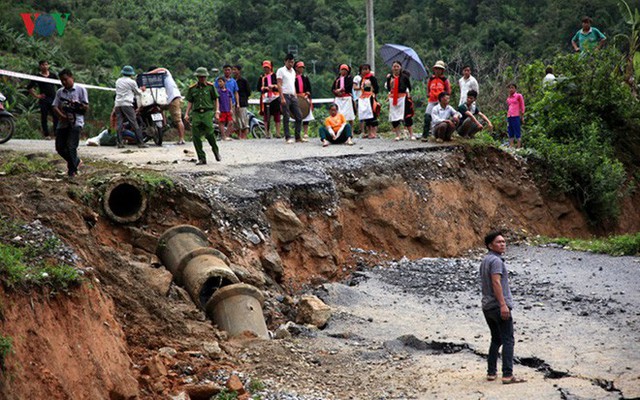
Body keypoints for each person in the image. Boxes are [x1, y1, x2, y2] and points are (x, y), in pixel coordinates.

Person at [479, 231, 527, 385]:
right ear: (489, 245)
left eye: (504, 242)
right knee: (508, 340)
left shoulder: (485, 260)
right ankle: (507, 375)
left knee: (496, 339)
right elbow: (496, 282)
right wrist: (503, 305)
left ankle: (491, 373)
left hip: (487, 306)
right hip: (497, 306)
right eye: (498, 242)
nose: (502, 244)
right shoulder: (497, 261)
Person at [52, 69, 88, 177]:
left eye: (66, 80)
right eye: (62, 80)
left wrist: (77, 106)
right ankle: (76, 161)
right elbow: (54, 106)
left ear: (72, 77)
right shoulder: (60, 92)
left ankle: (72, 171)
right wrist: (62, 116)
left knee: (71, 146)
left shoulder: (81, 89)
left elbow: (86, 107)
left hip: (76, 121)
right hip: (63, 123)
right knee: (60, 147)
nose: (64, 82)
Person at [184, 67, 220, 165]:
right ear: (197, 77)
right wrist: (187, 113)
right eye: (200, 77)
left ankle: (215, 149)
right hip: (196, 113)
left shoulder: (210, 87)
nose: (202, 79)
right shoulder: (192, 89)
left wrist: (217, 111)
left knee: (209, 132)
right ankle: (201, 158)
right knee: (195, 135)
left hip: (207, 112)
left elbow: (216, 98)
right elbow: (190, 101)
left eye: (203, 77)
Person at [147, 66, 186, 144]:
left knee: (177, 119)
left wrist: (147, 74)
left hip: (173, 98)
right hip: (166, 100)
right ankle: (164, 124)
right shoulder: (157, 80)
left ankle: (182, 139)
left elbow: (162, 69)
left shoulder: (165, 73)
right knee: (158, 109)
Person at [114, 65, 148, 148]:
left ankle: (120, 143)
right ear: (131, 74)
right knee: (134, 122)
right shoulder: (132, 82)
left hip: (118, 104)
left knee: (119, 123)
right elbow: (138, 92)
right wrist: (142, 90)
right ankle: (140, 143)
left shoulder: (118, 81)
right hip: (127, 104)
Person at [27, 60, 58, 139]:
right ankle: (46, 134)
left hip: (53, 98)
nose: (45, 66)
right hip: (44, 99)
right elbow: (29, 87)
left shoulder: (53, 75)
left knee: (55, 116)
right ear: (40, 66)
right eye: (43, 65)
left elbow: (59, 86)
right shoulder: (37, 76)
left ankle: (56, 134)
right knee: (44, 116)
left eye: (46, 64)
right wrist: (37, 96)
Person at [277, 53, 304, 144]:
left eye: (292, 62)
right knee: (286, 116)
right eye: (289, 62)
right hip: (285, 94)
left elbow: (293, 84)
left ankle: (297, 136)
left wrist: (295, 94)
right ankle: (287, 136)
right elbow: (279, 84)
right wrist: (282, 97)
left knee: (299, 116)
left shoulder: (293, 71)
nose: (291, 64)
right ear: (285, 61)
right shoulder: (281, 70)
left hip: (292, 95)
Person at [422, 60, 451, 141]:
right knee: (427, 116)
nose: (437, 70)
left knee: (439, 118)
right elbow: (428, 88)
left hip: (440, 102)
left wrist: (445, 99)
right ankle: (425, 135)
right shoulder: (431, 79)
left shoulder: (445, 80)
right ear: (434, 69)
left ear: (442, 70)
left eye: (439, 69)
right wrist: (429, 94)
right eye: (436, 69)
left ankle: (439, 135)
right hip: (431, 100)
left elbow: (448, 91)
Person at [385, 61, 414, 141]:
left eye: (397, 66)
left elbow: (409, 87)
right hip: (393, 98)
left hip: (403, 97)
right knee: (394, 117)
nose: (396, 68)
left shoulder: (404, 77)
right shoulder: (390, 77)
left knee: (407, 116)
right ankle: (398, 135)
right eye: (394, 66)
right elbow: (388, 88)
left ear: (400, 67)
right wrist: (390, 83)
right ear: (392, 68)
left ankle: (411, 134)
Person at [257, 60, 281, 139]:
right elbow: (258, 88)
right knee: (266, 115)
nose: (266, 69)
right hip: (266, 97)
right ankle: (267, 133)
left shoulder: (275, 75)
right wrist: (264, 88)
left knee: (277, 114)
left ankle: (278, 133)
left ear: (270, 67)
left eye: (267, 67)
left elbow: (280, 85)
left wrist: (273, 86)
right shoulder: (262, 77)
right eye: (265, 67)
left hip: (275, 97)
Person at [215, 65, 240, 138]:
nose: (227, 71)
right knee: (221, 121)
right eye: (225, 70)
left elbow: (236, 92)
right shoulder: (218, 81)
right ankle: (223, 136)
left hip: (230, 104)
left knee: (232, 121)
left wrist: (237, 103)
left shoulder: (233, 81)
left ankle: (227, 135)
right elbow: (215, 91)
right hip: (221, 105)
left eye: (229, 70)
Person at [357, 64, 380, 139]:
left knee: (373, 115)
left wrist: (374, 97)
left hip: (371, 98)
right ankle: (369, 132)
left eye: (366, 69)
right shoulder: (362, 80)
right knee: (366, 116)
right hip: (364, 99)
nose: (365, 71)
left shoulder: (372, 78)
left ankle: (374, 132)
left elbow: (376, 88)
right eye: (363, 69)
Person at [293, 61, 314, 139]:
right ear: (296, 68)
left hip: (304, 97)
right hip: (296, 97)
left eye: (302, 67)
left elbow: (309, 88)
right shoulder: (293, 77)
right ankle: (297, 132)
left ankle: (305, 132)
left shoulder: (305, 77)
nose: (301, 69)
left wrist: (308, 92)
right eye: (300, 67)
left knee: (306, 114)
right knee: (296, 115)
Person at [232, 65, 251, 139]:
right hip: (234, 103)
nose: (234, 71)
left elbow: (248, 92)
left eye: (235, 70)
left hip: (242, 102)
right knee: (235, 120)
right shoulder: (232, 81)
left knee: (243, 119)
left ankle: (244, 136)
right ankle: (238, 135)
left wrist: (243, 98)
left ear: (239, 71)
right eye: (233, 70)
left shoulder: (243, 81)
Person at [506, 83, 525, 148]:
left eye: (512, 88)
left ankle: (518, 147)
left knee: (517, 131)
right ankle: (511, 146)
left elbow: (522, 106)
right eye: (510, 88)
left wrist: (522, 116)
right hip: (509, 116)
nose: (511, 89)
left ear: (515, 89)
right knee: (510, 131)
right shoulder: (508, 98)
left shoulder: (518, 96)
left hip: (516, 116)